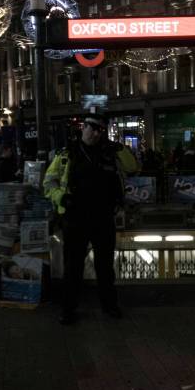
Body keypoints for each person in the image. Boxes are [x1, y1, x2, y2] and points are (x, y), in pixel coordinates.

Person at [44, 114, 138, 325]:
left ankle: (109, 306)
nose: (96, 133)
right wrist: (61, 197)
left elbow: (132, 168)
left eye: (100, 130)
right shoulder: (67, 154)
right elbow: (49, 181)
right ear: (83, 127)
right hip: (75, 218)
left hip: (103, 218)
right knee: (73, 267)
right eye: (92, 128)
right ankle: (68, 309)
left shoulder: (110, 153)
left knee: (105, 267)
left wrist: (120, 148)